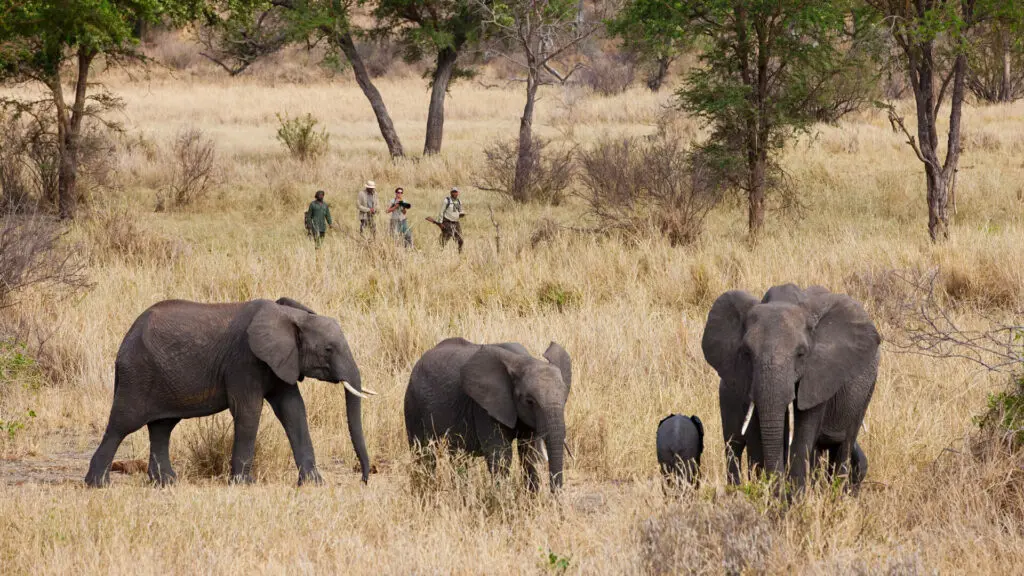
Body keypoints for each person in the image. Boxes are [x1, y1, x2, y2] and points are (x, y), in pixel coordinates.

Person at [437, 186, 464, 253]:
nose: (454, 193)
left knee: (460, 239)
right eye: (453, 192)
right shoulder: (447, 200)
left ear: (458, 193)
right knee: (446, 237)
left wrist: (461, 214)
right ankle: (440, 250)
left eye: (456, 192)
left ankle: (460, 252)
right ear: (451, 193)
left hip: (456, 222)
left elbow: (460, 210)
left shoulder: (459, 201)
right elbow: (441, 211)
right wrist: (440, 222)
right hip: (447, 221)